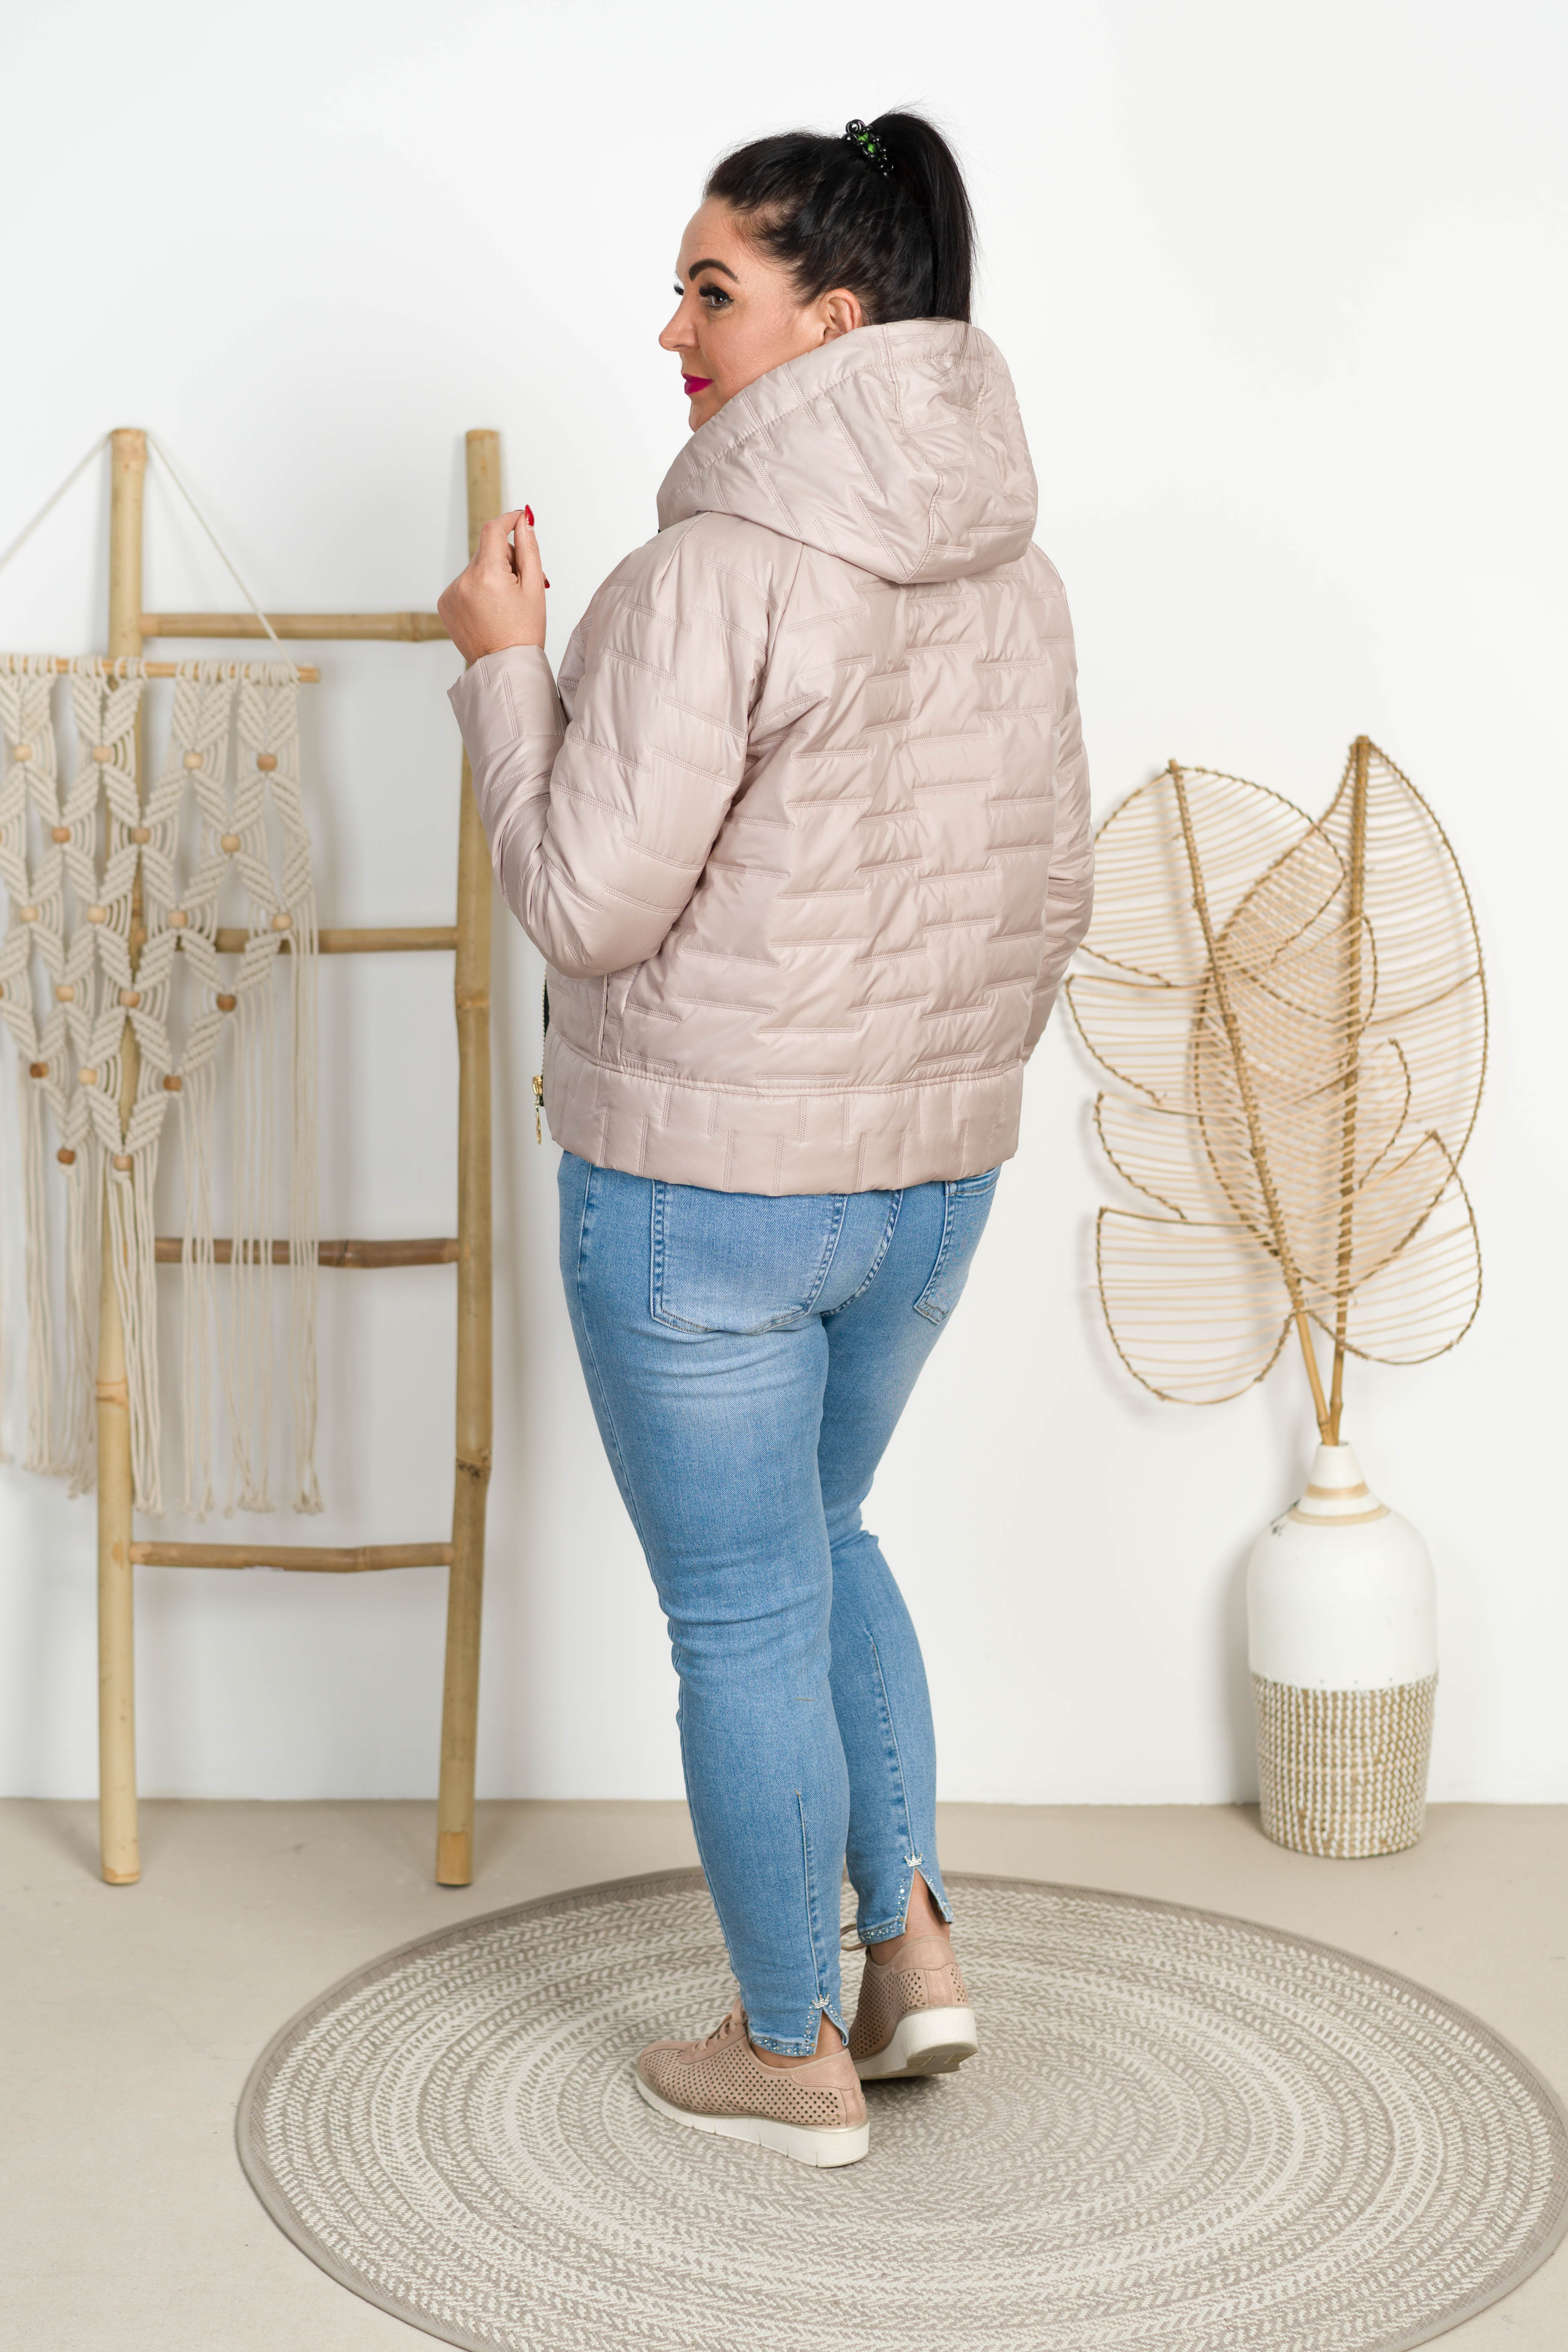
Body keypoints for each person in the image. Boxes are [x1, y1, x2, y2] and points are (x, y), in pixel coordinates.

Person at [438, 110, 1093, 2170]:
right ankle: (911, 1952)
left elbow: (583, 905)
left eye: (710, 291)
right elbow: (1054, 894)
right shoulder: (1020, 577)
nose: (671, 331)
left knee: (740, 1612)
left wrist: (504, 671)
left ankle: (786, 2047)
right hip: (932, 1186)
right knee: (830, 1535)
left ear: (834, 318)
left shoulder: (706, 575)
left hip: (700, 1194)